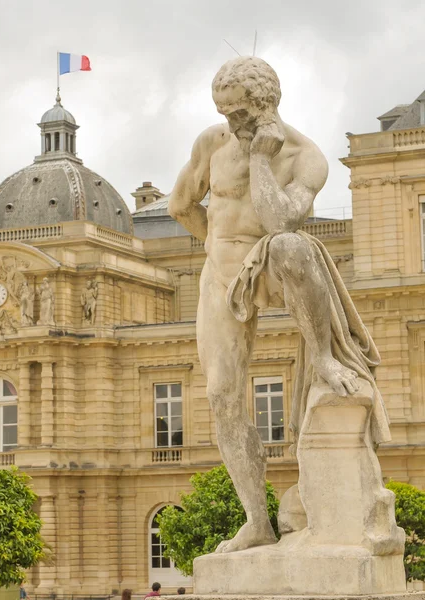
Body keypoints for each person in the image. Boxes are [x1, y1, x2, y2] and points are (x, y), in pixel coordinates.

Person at [168, 56, 390, 554]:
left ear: (267, 105)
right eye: (224, 112)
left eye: (241, 114)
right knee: (222, 394)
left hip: (271, 257)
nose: (232, 124)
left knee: (294, 246)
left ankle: (326, 357)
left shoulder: (305, 157)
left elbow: (279, 223)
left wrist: (261, 160)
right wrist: (216, 248)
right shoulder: (211, 144)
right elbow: (179, 205)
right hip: (223, 272)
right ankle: (255, 521)